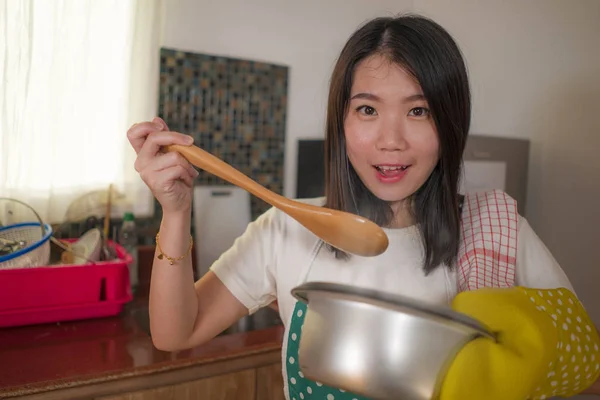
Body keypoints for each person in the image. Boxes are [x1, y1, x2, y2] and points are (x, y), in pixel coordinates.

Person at [127, 13, 600, 400]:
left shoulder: (497, 231)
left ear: (450, 124)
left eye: (419, 111)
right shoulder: (286, 229)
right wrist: (175, 211)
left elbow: (585, 365)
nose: (390, 142)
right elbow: (175, 334)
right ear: (342, 121)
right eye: (367, 110)